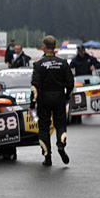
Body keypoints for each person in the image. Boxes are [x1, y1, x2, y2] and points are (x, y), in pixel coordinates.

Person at [31, 35, 74, 166]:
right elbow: (71, 83)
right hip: (59, 97)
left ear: (44, 46)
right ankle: (61, 145)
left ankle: (47, 157)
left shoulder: (38, 64)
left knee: (43, 128)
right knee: (60, 124)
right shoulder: (63, 63)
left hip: (44, 99)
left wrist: (33, 102)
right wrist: (66, 97)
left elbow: (34, 86)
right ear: (55, 47)